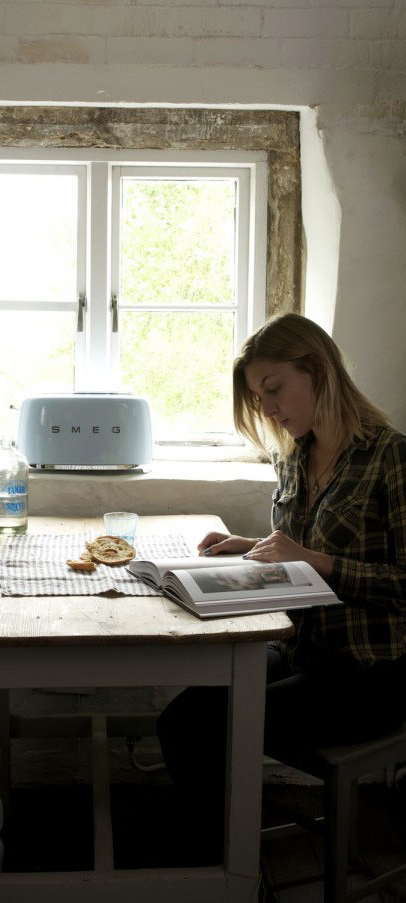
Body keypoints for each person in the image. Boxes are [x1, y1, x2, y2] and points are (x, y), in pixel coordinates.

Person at [157, 312, 406, 864]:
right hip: (305, 653)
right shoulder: (297, 456)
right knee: (181, 718)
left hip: (373, 676)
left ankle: (217, 870)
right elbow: (299, 554)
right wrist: (249, 546)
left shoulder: (392, 457)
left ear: (317, 370)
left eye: (274, 389)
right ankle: (216, 860)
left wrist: (314, 559)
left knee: (210, 725)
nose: (267, 409)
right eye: (258, 396)